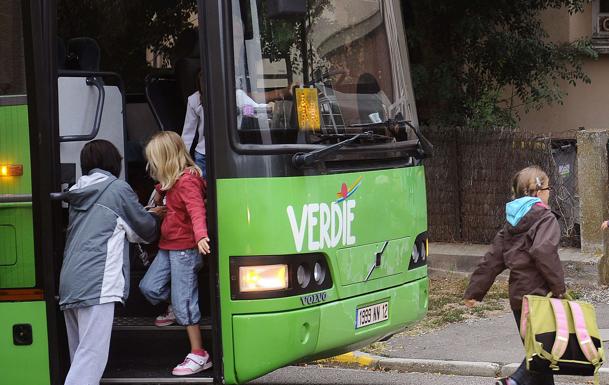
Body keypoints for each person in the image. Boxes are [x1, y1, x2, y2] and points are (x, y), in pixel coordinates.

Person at [59, 140, 162, 385]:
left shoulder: (78, 189)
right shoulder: (117, 189)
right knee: (90, 360)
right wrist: (155, 216)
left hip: (70, 282)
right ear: (113, 163)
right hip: (98, 282)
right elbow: (144, 230)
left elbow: (115, 225)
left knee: (80, 358)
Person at [463, 166, 565, 385]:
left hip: (519, 299)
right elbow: (544, 251)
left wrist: (475, 291)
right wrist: (559, 289)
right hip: (541, 297)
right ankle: (513, 382)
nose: (550, 192)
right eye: (548, 188)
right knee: (542, 353)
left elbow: (493, 258)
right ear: (538, 192)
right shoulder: (545, 218)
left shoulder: (512, 221)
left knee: (541, 361)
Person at [139, 131, 212, 376]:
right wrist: (162, 205)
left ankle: (199, 354)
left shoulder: (188, 181)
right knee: (149, 287)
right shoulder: (172, 182)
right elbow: (172, 195)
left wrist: (201, 236)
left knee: (185, 303)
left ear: (167, 160)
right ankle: (174, 308)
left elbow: (196, 211)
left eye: (155, 161)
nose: (152, 167)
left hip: (185, 250)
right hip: (168, 246)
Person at [182, 72, 207, 178]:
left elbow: (254, 108)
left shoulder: (233, 94)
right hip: (202, 154)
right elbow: (188, 133)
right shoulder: (194, 99)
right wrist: (181, 160)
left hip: (224, 152)